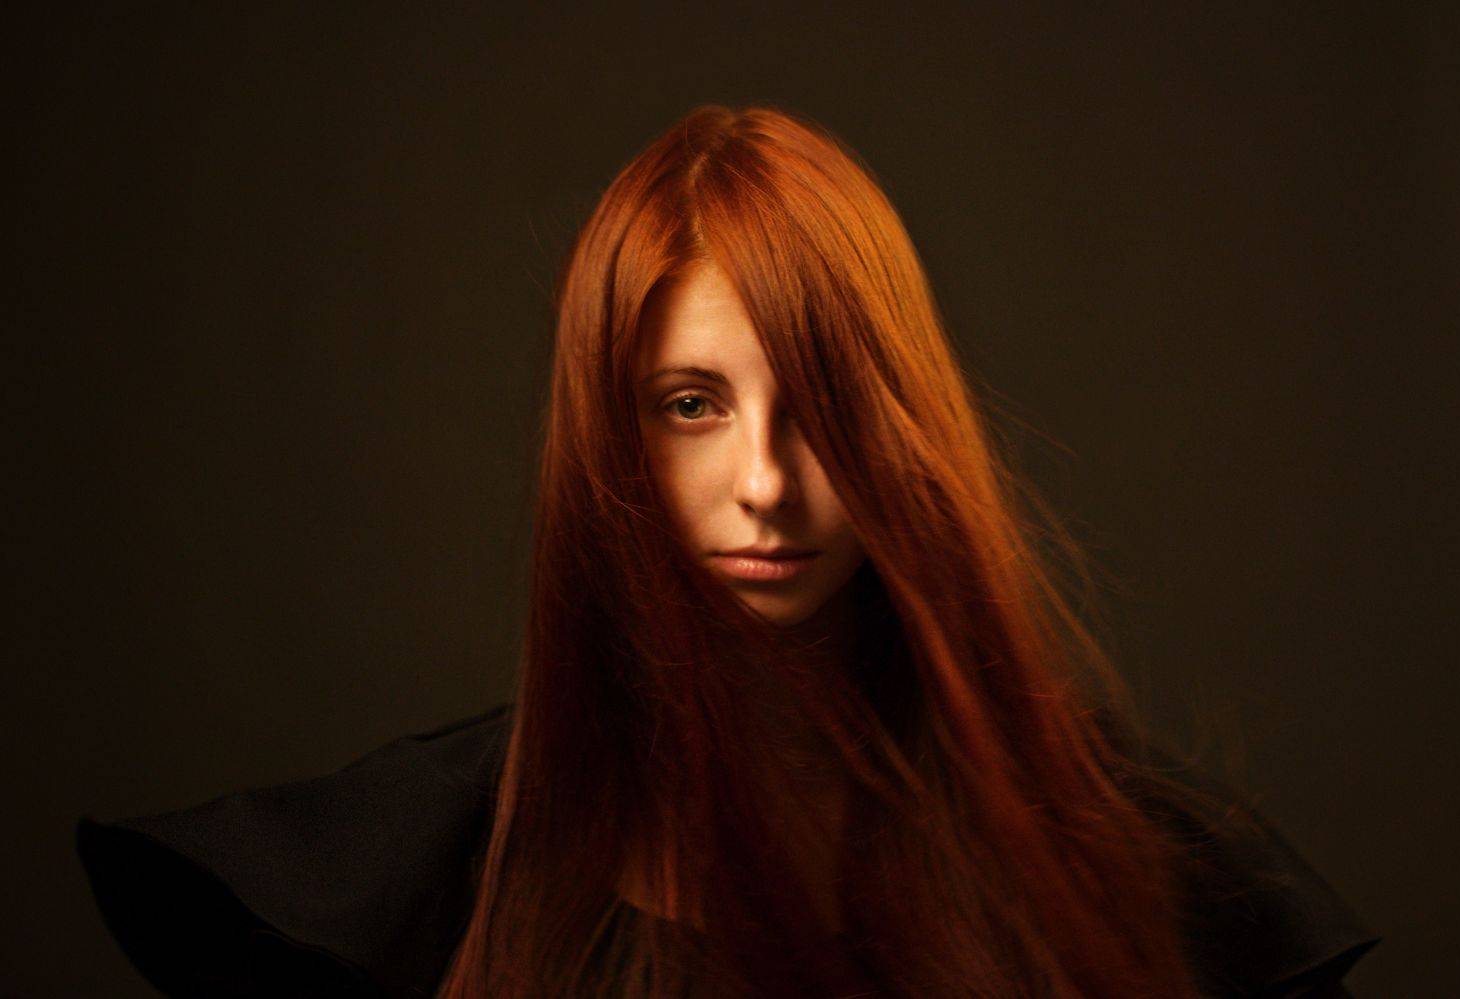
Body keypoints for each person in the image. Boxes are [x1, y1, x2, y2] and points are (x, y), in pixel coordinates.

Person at [77, 105, 1380, 997]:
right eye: (692, 404)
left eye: (826, 407)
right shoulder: (417, 875)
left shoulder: (1119, 853)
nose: (765, 483)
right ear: (612, 433)